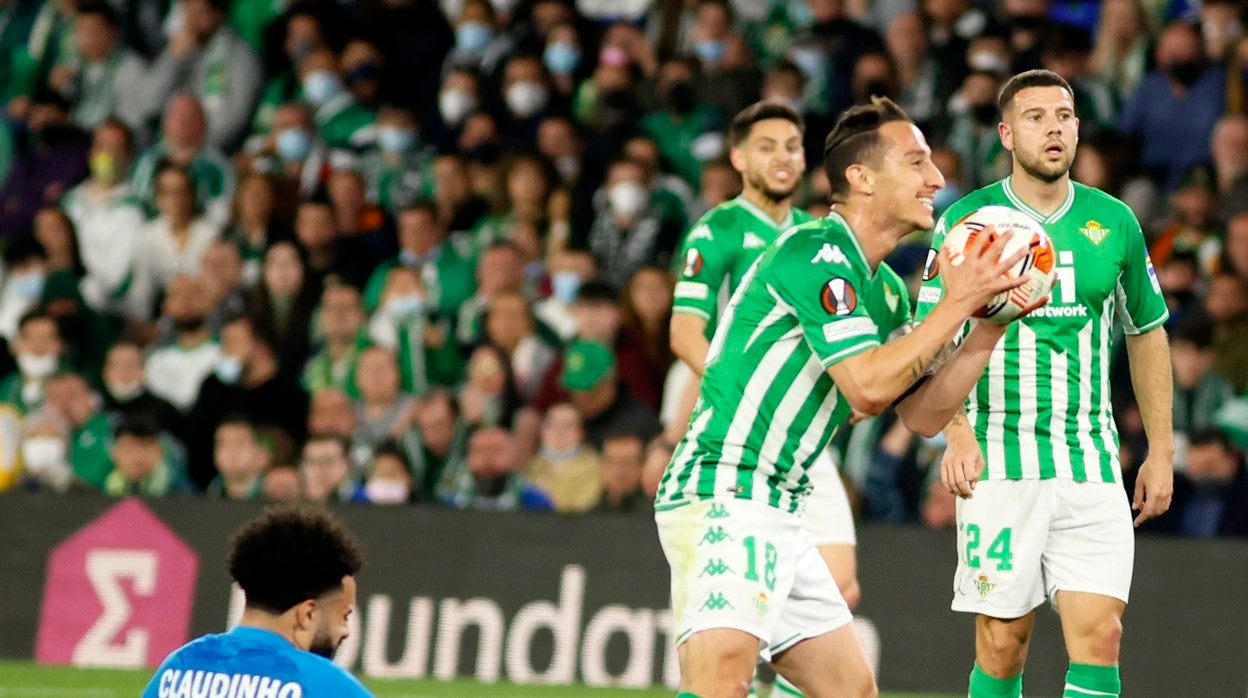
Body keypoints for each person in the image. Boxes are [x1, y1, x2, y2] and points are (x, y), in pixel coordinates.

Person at [654, 96, 1030, 697]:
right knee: (721, 682)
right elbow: (868, 387)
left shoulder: (882, 292)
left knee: (851, 691)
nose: (936, 178)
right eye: (916, 162)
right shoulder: (813, 253)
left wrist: (988, 326)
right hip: (726, 489)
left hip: (781, 502)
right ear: (861, 178)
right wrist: (958, 302)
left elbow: (921, 412)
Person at [916, 70, 1174, 698]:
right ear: (1006, 133)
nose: (1053, 127)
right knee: (1003, 646)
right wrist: (956, 433)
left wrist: (1161, 451)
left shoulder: (1113, 222)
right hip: (998, 459)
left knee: (1102, 635)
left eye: (1064, 115)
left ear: (1079, 128)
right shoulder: (968, 222)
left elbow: (1147, 333)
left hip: (1089, 460)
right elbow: (929, 339)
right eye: (1035, 117)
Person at [658, 102, 865, 696]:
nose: (783, 158)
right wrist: (737, 385)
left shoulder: (814, 237)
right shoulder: (717, 231)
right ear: (738, 158)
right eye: (768, 146)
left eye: (793, 146)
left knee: (841, 586)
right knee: (722, 644)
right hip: (736, 434)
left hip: (801, 440)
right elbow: (684, 333)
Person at [142, 504, 370, 697]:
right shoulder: (327, 685)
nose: (346, 631)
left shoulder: (179, 667)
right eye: (344, 616)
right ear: (307, 614)